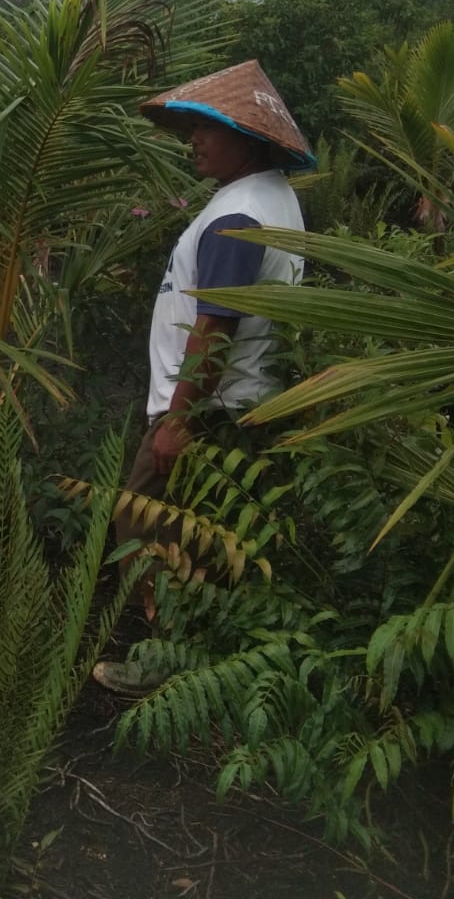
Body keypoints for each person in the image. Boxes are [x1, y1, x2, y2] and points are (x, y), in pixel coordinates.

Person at [93, 60, 313, 695]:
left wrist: (179, 418)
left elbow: (216, 325)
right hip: (241, 403)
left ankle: (165, 663)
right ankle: (212, 663)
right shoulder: (271, 198)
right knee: (208, 535)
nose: (193, 139)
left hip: (206, 409)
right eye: (191, 127)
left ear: (247, 138)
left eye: (206, 129)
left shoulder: (236, 213)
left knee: (147, 527)